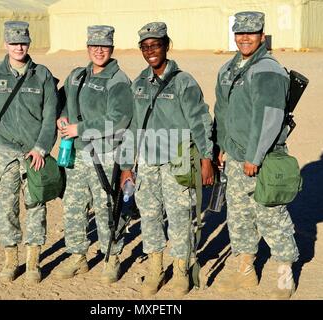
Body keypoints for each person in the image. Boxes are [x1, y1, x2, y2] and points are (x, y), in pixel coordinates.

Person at [120, 22, 214, 298]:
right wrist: (127, 166)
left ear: (166, 45)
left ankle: (181, 271)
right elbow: (132, 128)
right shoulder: (138, 84)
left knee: (180, 218)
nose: (151, 51)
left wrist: (206, 158)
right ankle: (155, 268)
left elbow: (201, 122)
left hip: (178, 162)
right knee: (149, 217)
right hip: (148, 164)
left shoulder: (184, 82)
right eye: (145, 47)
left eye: (156, 45)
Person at [213, 11, 299, 299]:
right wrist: (222, 146)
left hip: (261, 159)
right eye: (240, 33)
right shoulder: (228, 68)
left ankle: (285, 274)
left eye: (251, 33)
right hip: (234, 158)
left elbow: (270, 117)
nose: (244, 38)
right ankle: (246, 271)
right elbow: (221, 112)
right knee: (239, 217)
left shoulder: (268, 69)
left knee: (271, 216)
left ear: (262, 35)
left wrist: (255, 155)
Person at [0, 21, 59, 284]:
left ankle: (33, 260)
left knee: (36, 205)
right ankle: (11, 259)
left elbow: (49, 117)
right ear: (5, 45)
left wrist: (41, 147)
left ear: (29, 43)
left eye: (22, 42)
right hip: (3, 152)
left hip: (34, 153)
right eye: (13, 43)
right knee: (6, 208)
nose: (18, 47)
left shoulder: (42, 75)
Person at [52, 25, 133, 284]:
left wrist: (81, 128)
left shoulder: (118, 80)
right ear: (88, 47)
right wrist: (62, 117)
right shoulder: (76, 75)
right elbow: (62, 101)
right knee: (73, 207)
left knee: (106, 208)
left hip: (105, 155)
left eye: (105, 46)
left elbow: (119, 120)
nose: (99, 51)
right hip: (76, 154)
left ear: (112, 48)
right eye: (94, 46)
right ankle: (78, 257)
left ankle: (111, 257)